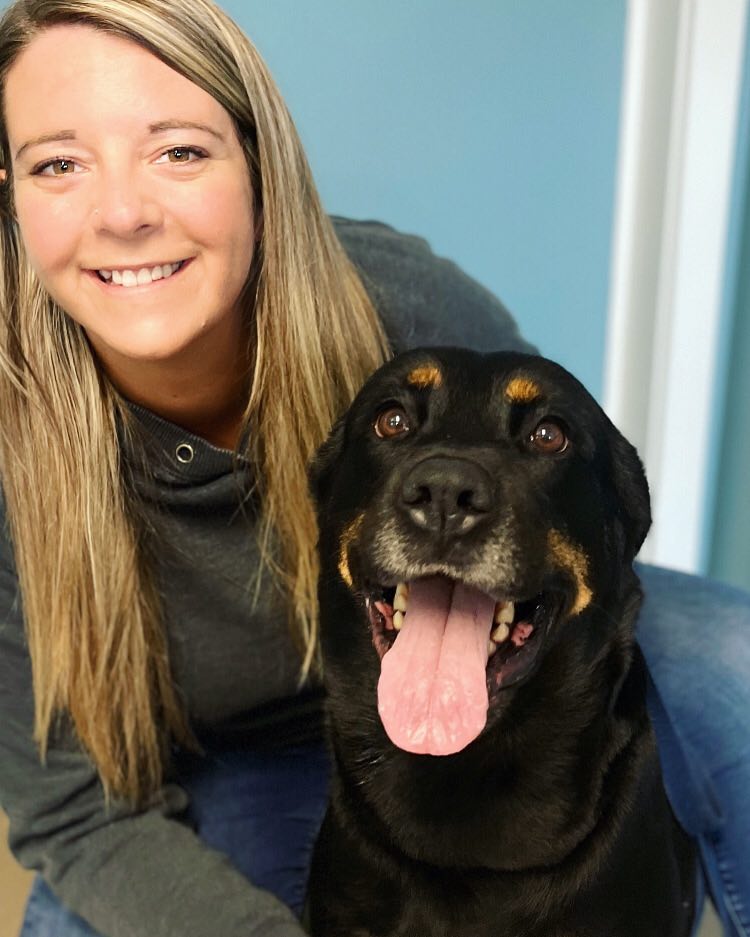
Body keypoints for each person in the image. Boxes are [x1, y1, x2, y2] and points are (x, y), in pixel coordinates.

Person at [0, 1, 747, 936]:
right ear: (9, 192)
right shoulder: (7, 450)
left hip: (487, 635)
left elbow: (555, 474)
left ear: (257, 167)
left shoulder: (397, 300)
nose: (122, 213)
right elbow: (77, 812)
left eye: (179, 151)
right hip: (240, 749)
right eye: (58, 163)